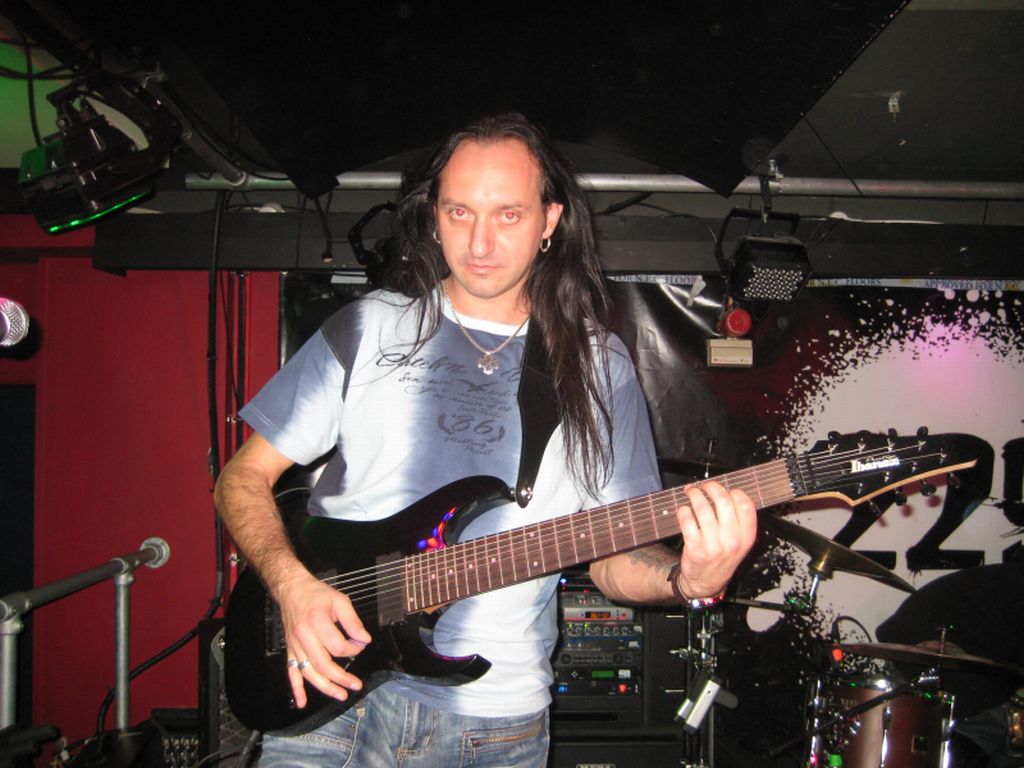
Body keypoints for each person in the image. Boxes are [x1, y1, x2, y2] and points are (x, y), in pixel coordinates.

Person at [214, 112, 758, 767]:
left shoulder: (599, 366)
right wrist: (291, 586)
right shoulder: (367, 327)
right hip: (326, 693)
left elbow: (613, 560)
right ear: (433, 216)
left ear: (550, 220)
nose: (479, 243)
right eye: (459, 212)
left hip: (492, 725)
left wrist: (687, 578)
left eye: (508, 214)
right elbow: (240, 478)